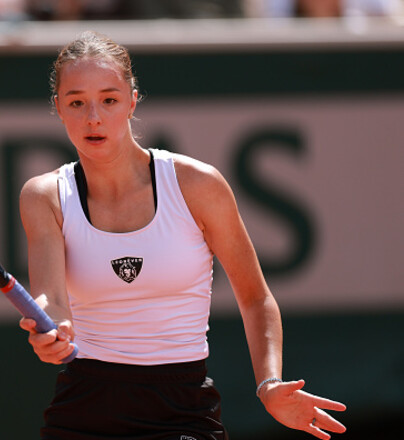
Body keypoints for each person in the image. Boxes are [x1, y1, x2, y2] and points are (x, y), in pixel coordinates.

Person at [18, 30, 347, 440]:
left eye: (109, 100)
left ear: (132, 101)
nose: (93, 118)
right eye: (76, 103)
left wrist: (269, 383)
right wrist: (51, 331)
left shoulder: (198, 185)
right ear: (58, 108)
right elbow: (52, 300)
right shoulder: (44, 196)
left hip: (181, 411)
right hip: (82, 409)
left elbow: (255, 297)